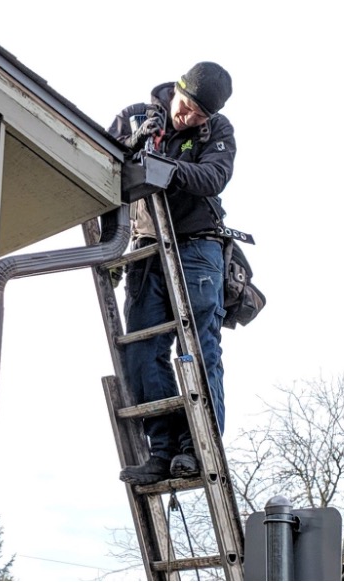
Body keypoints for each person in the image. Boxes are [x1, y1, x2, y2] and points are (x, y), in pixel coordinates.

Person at [108, 62, 236, 485]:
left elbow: (214, 176)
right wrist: (134, 146)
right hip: (147, 247)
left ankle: (197, 448)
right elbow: (104, 169)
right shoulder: (135, 118)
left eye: (201, 115)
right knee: (144, 352)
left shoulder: (217, 132)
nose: (190, 118)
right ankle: (162, 451)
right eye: (187, 108)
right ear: (175, 92)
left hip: (198, 246)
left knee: (200, 348)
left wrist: (164, 169)